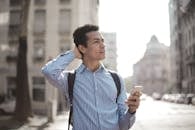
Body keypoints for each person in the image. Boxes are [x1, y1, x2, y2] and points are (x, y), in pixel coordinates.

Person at [42, 24, 141, 130]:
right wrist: (74, 53)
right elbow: (48, 71)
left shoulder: (116, 79)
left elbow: (123, 126)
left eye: (102, 41)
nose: (103, 45)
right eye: (96, 42)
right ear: (82, 48)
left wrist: (131, 111)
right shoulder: (70, 79)